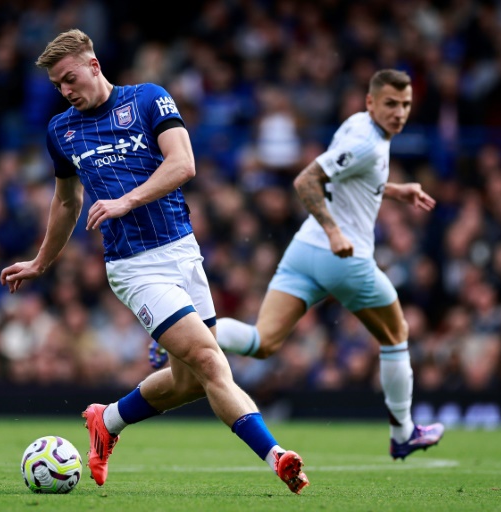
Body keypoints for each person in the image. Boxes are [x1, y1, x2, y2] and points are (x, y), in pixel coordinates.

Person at [0, 29, 309, 494]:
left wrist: (126, 200)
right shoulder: (61, 130)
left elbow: (183, 163)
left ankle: (108, 419)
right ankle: (277, 456)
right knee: (210, 360)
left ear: (94, 65)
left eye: (69, 79)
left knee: (188, 381)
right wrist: (42, 262)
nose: (65, 91)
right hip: (133, 265)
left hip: (183, 251)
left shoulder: (147, 99)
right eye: (57, 85)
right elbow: (67, 202)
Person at [153, 69, 445, 460]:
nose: (400, 112)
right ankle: (404, 433)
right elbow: (306, 181)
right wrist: (335, 232)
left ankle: (182, 333)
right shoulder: (366, 141)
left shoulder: (359, 127)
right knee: (396, 336)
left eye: (406, 104)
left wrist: (395, 191)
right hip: (342, 255)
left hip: (304, 250)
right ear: (371, 102)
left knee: (262, 342)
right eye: (391, 103)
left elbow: (345, 177)